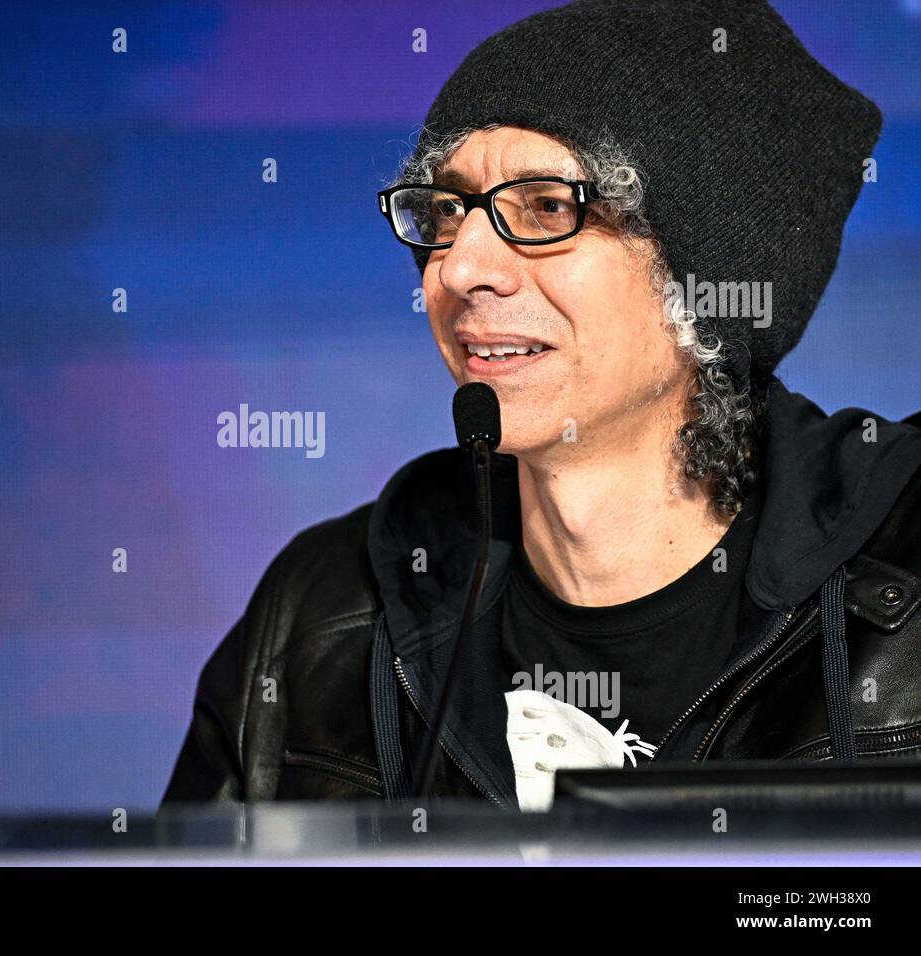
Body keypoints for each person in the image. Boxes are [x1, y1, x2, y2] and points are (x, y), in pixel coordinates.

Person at [160, 0, 921, 809]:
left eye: (548, 210)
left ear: (707, 289)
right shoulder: (317, 614)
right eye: (446, 212)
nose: (457, 270)